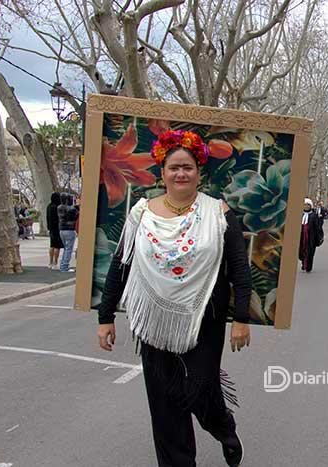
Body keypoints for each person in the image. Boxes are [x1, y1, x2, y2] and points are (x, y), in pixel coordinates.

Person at [96, 129, 251, 467]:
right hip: (152, 318)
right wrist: (105, 317)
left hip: (203, 317)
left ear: (199, 172)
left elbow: (239, 267)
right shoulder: (141, 214)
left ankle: (223, 427)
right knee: (164, 400)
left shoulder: (218, 212)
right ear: (162, 172)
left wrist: (241, 318)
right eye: (174, 167)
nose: (181, 173)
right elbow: (120, 266)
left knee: (201, 387)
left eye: (188, 167)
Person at [299, 198, 323, 273]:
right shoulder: (300, 214)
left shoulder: (314, 215)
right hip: (302, 237)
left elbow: (318, 227)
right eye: (305, 205)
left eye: (308, 205)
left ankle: (308, 266)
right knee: (301, 250)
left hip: (310, 237)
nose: (306, 206)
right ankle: (303, 263)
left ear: (310, 206)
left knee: (310, 252)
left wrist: (319, 237)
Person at [57, 193, 79, 272]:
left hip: (61, 229)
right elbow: (77, 215)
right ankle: (64, 266)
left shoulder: (59, 207)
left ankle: (62, 265)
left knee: (66, 248)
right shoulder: (72, 209)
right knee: (68, 249)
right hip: (70, 230)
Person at [46, 192, 63, 269]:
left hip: (51, 228)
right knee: (57, 246)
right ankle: (55, 262)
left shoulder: (49, 206)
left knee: (52, 245)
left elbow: (47, 217)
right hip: (57, 228)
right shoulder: (57, 207)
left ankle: (50, 262)